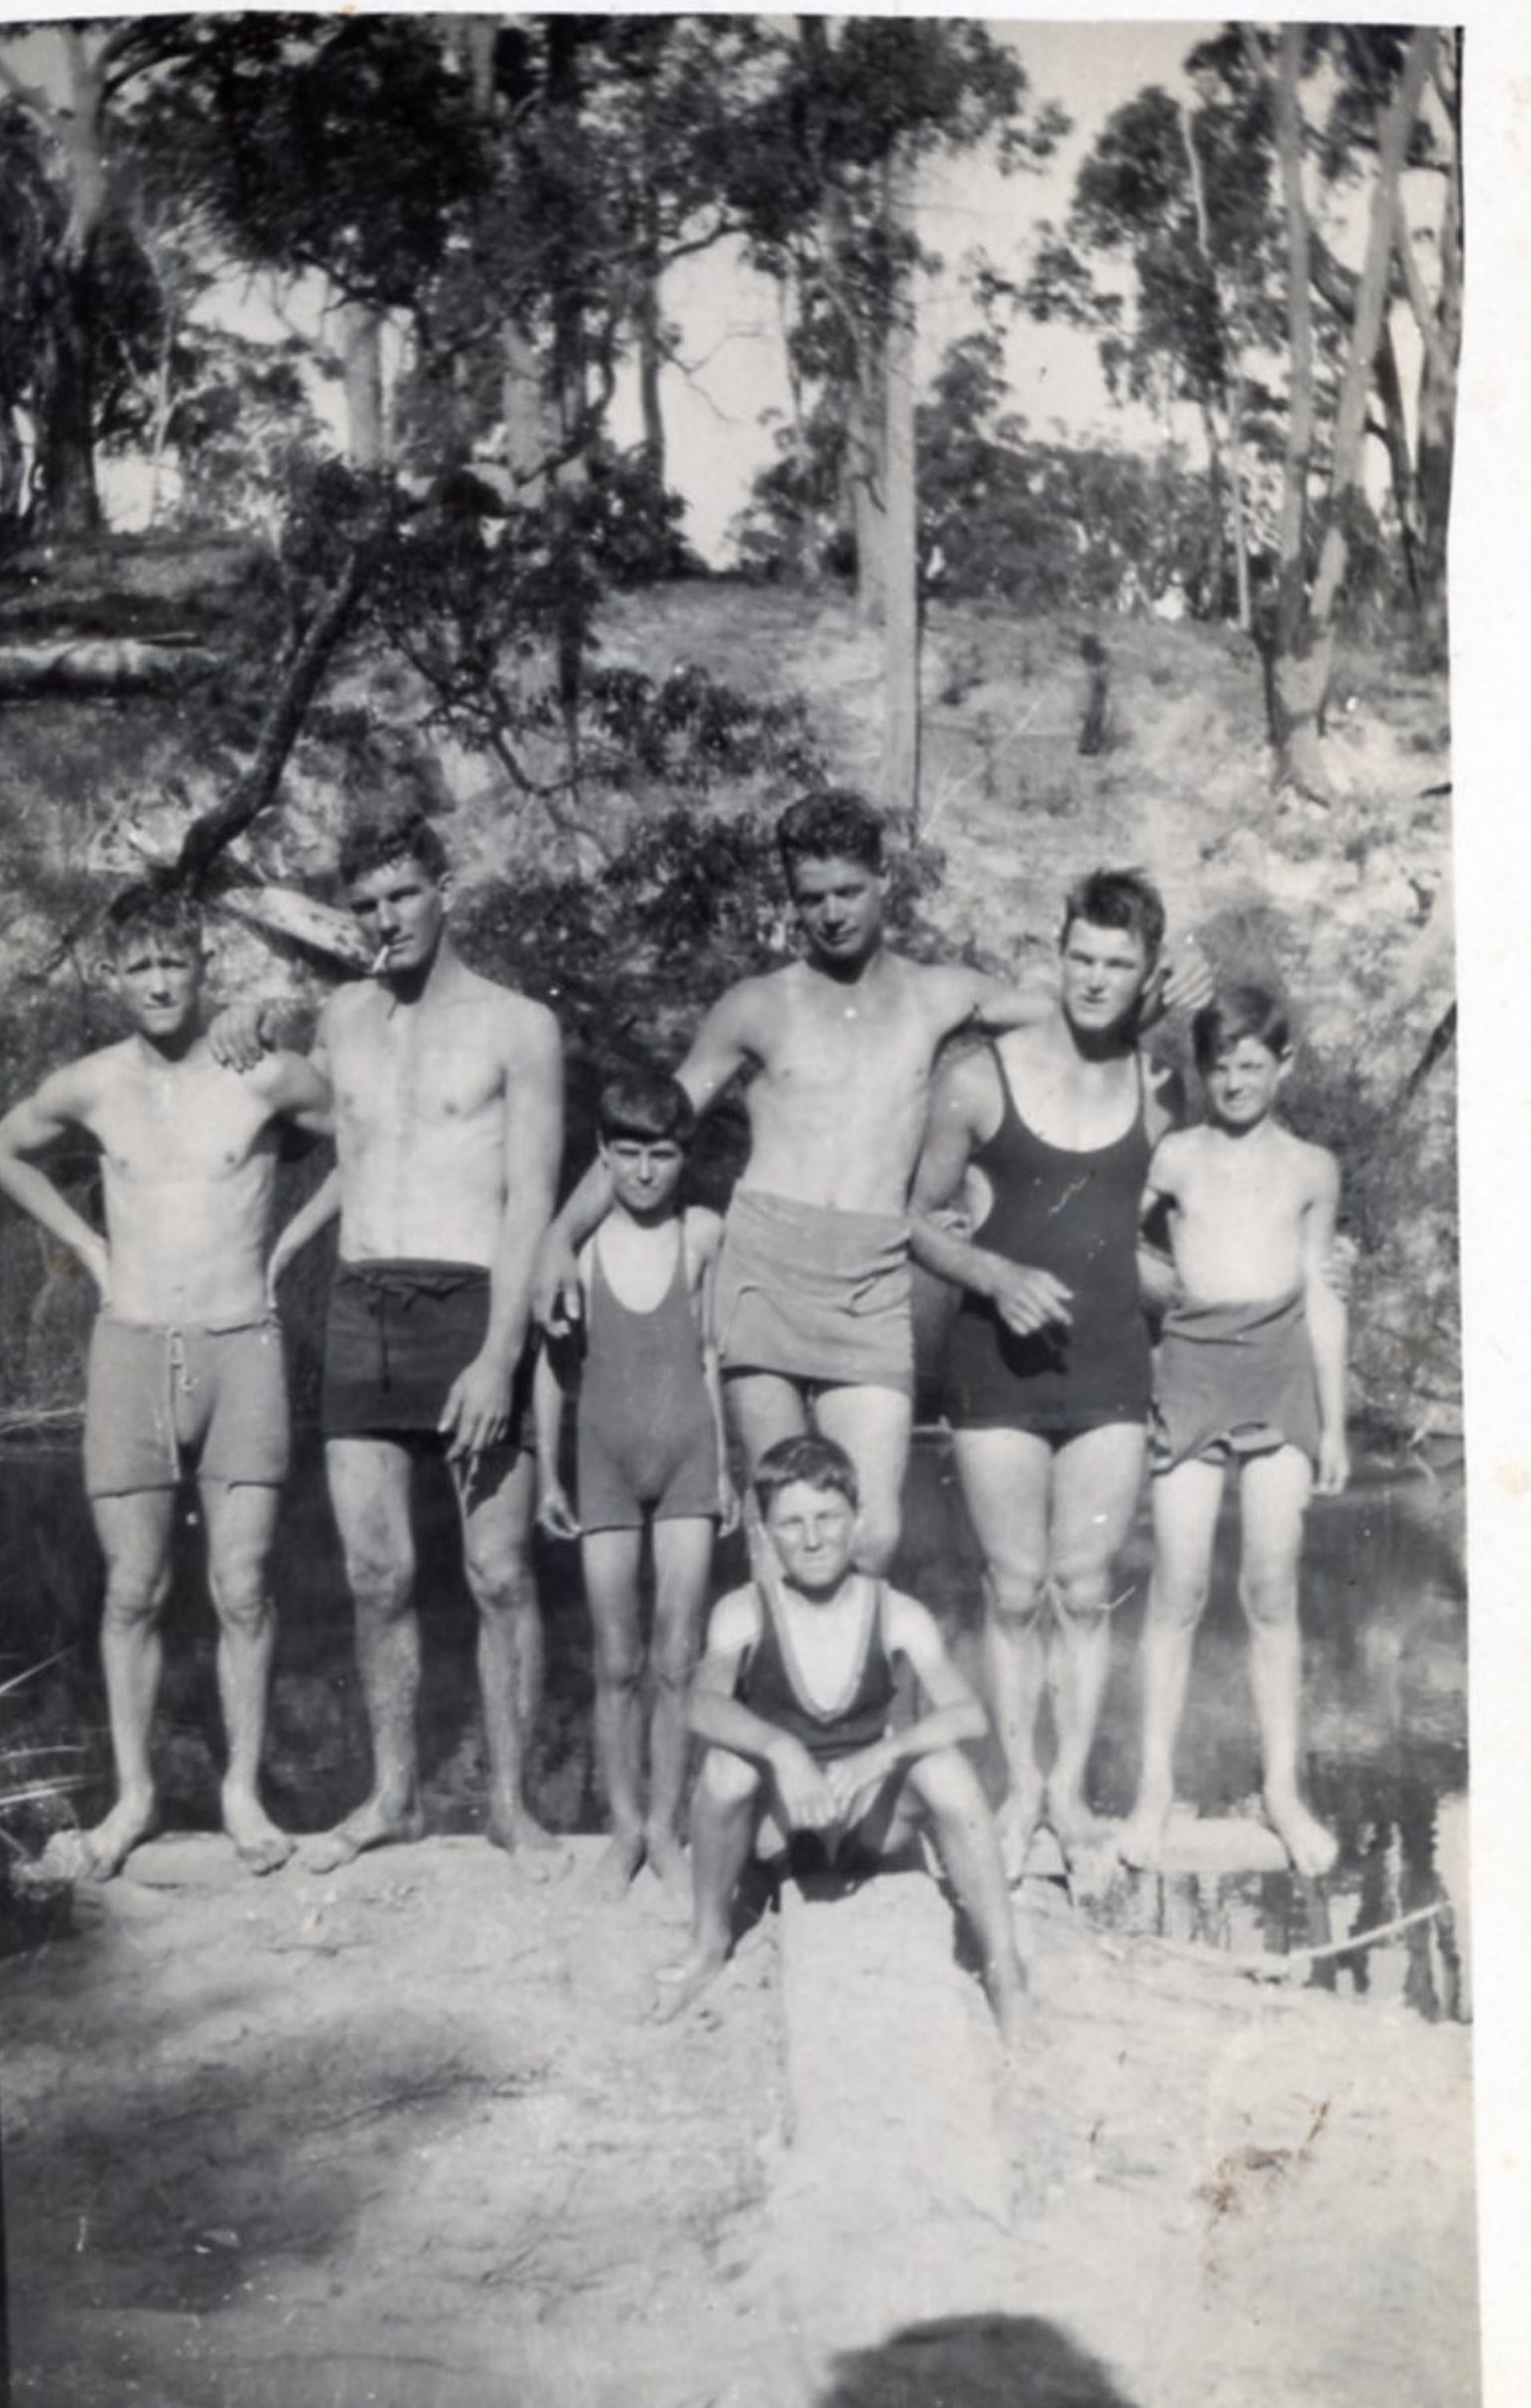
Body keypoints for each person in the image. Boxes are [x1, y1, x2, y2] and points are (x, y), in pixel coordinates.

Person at [537, 789, 1202, 1577]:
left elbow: (1075, 1016)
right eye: (809, 898)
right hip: (765, 1273)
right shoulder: (757, 1005)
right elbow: (648, 1124)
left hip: (874, 1277)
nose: (830, 914)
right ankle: (777, 1695)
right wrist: (559, 1235)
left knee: (874, 1533)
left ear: (883, 880)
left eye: (847, 891)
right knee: (778, 1524)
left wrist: (1159, 990)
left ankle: (867, 1700)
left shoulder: (940, 994)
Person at [0, 883, 333, 1879]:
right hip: (133, 1342)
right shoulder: (93, 1084)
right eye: (138, 964)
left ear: (202, 964)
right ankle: (132, 1796)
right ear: (114, 977)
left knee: (243, 1585)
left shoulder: (260, 1071)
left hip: (241, 1343)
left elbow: (366, 1134)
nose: (158, 981)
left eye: (174, 961)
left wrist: (289, 1251)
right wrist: (89, 1249)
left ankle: (242, 1793)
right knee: (133, 1586)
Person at [259, 814, 565, 1875]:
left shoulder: (519, 1025)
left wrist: (497, 1351)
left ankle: (514, 1805)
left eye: (403, 895)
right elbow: (326, 1131)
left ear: (447, 887)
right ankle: (392, 1797)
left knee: (496, 1569)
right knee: (375, 1570)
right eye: (367, 904)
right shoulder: (342, 1014)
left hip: (471, 1302)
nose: (385, 920)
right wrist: (247, 1025)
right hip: (361, 1307)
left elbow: (532, 1197)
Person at [909, 867, 1184, 1878]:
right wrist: (992, 1269)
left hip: (1112, 1359)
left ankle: (1068, 1789)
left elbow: (1173, 1226)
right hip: (995, 1361)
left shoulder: (1156, 1089)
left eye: (1118, 964)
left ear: (1146, 971)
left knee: (1084, 1583)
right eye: (1079, 958)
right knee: (1014, 1586)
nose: (1095, 979)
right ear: (1055, 952)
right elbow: (914, 1219)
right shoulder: (981, 1076)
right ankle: (1017, 1781)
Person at [664, 1434, 1027, 2045]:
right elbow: (700, 1705)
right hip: (782, 1828)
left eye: (828, 1519)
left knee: (946, 1770)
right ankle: (707, 1944)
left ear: (858, 1524)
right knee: (729, 1770)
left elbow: (969, 1715)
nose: (811, 1539)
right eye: (792, 1523)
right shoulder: (743, 1610)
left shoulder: (897, 1611)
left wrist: (883, 1754)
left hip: (869, 1823)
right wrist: (783, 1753)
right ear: (765, 1534)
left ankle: (1004, 1967)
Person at [1115, 985, 1348, 1878]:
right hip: (1192, 1367)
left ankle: (1282, 1791)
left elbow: (1319, 1293)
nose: (1237, 1081)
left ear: (1284, 1065)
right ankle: (1150, 1788)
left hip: (1279, 1371)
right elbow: (1104, 1238)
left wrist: (1330, 1421)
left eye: (1253, 1065)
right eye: (1220, 1066)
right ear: (1202, 1070)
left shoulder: (1310, 1169)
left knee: (1269, 1589)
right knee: (1175, 1587)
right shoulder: (1172, 1157)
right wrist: (1161, 1295)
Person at [533, 1068, 737, 1904]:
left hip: (687, 1453)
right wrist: (547, 1469)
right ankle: (621, 1826)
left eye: (661, 1154)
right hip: (604, 1462)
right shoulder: (577, 1251)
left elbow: (713, 1356)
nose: (645, 1172)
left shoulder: (702, 1235)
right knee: (615, 1658)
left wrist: (725, 1466)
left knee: (677, 1657)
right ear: (602, 1155)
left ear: (682, 1156)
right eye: (628, 1155)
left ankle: (664, 1826)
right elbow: (552, 1370)